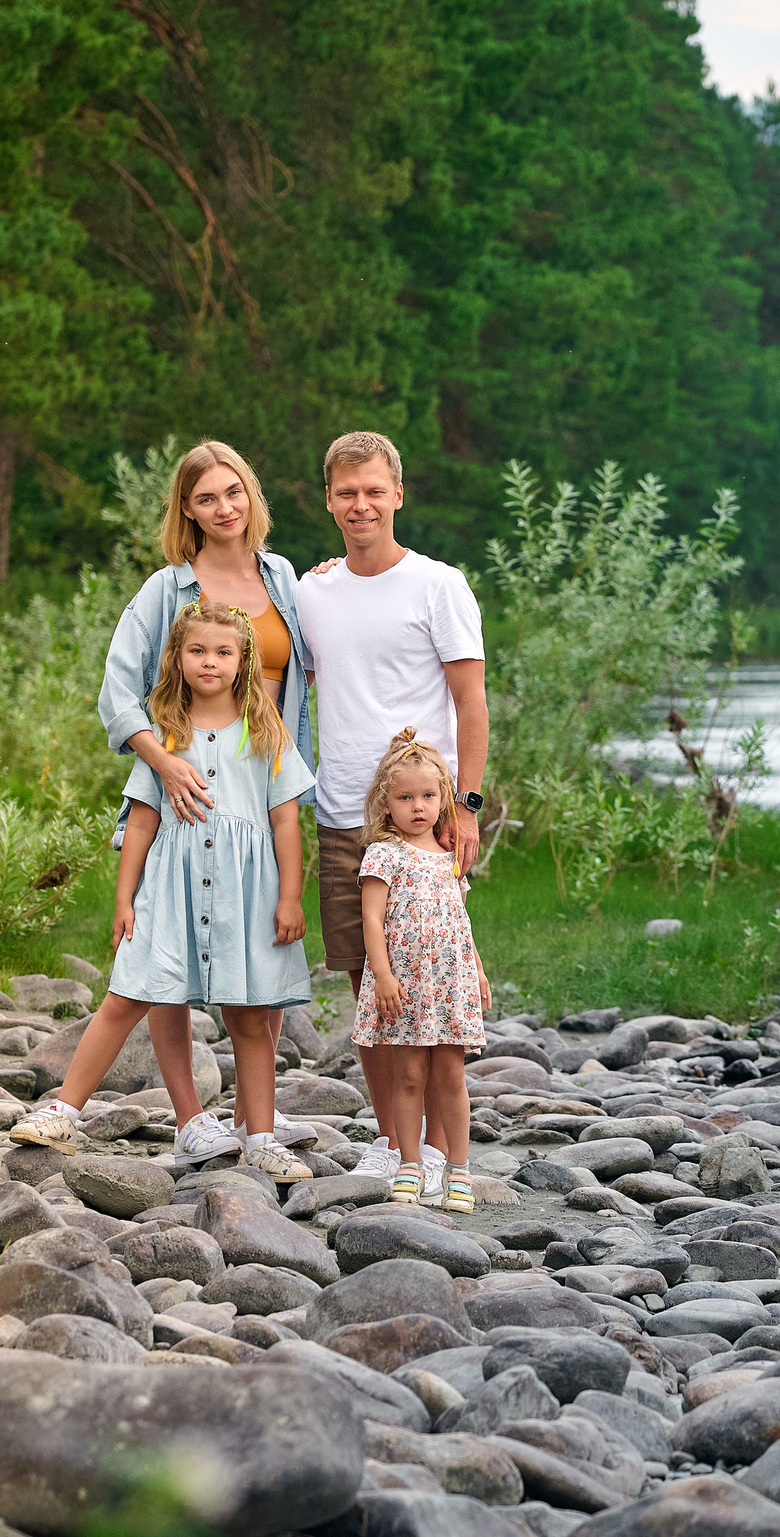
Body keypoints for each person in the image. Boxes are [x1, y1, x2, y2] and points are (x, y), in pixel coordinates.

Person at [16, 603, 316, 1178]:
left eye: (224, 652)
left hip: (246, 896)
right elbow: (143, 822)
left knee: (250, 1015)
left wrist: (290, 897)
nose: (210, 662)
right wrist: (124, 898)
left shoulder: (266, 732)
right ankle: (62, 1111)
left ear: (243, 660)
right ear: (177, 658)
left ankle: (260, 1138)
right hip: (169, 887)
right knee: (127, 995)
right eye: (197, 651)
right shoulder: (164, 737)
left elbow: (285, 822)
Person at [95, 441, 315, 1156]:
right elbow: (117, 693)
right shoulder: (168, 589)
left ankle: (260, 1119)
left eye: (234, 492)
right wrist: (161, 764)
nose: (225, 508)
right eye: (207, 498)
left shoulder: (283, 577)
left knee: (257, 957)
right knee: (166, 954)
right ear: (186, 509)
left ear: (252, 495)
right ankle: (192, 1118)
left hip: (258, 778)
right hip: (182, 785)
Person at [296, 432, 489, 1190]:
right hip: (343, 811)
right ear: (329, 500)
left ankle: (444, 1151)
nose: (361, 504)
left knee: (433, 989)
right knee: (366, 979)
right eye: (347, 493)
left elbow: (470, 700)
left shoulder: (439, 585)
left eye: (375, 490)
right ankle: (392, 1139)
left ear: (398, 494)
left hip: (424, 820)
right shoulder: (314, 592)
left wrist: (464, 808)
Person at [353, 729, 489, 1210]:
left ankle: (460, 1169)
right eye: (405, 797)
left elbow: (459, 919)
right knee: (408, 1075)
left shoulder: (451, 859)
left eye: (429, 796)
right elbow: (371, 919)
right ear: (385, 803)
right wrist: (383, 976)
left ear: (443, 800)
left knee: (451, 1075)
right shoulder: (383, 855)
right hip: (406, 984)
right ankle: (409, 1162)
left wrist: (477, 968)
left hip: (449, 982)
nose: (418, 806)